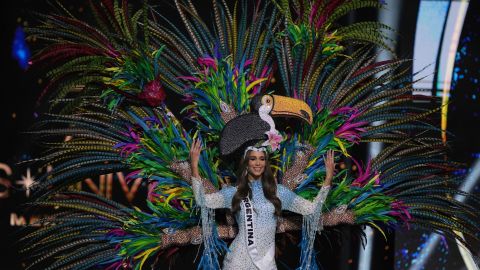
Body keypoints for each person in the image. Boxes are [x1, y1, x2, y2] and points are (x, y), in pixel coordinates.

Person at [190, 139, 334, 270]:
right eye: (253, 159)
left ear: (266, 163)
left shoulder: (280, 193)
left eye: (261, 159)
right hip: (237, 262)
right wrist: (194, 166)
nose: (257, 163)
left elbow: (311, 209)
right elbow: (202, 200)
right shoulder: (235, 192)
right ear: (246, 162)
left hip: (266, 262)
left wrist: (328, 179)